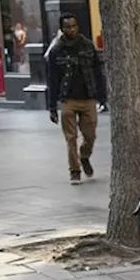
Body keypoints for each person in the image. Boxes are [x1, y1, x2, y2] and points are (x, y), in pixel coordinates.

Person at [46, 13, 106, 186]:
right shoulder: (56, 51)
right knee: (70, 138)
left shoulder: (87, 46)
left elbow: (97, 72)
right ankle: (74, 170)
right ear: (62, 29)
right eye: (67, 27)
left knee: (90, 135)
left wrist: (102, 96)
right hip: (68, 99)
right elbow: (52, 79)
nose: (71, 29)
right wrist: (52, 107)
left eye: (74, 26)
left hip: (88, 97)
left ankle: (84, 156)